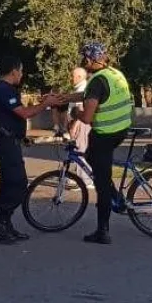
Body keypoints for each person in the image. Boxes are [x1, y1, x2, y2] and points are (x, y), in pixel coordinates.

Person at [50, 42, 133, 245]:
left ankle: (102, 231)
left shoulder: (96, 81)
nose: (83, 63)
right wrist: (66, 97)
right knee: (93, 159)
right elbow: (90, 95)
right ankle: (112, 192)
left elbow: (87, 117)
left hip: (106, 134)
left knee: (101, 183)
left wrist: (73, 112)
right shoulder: (114, 73)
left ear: (89, 59)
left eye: (84, 59)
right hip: (120, 129)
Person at [0, 56, 56, 244]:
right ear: (14, 71)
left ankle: (5, 223)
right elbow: (23, 113)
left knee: (9, 183)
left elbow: (14, 117)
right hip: (5, 143)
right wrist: (45, 104)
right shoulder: (3, 89)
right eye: (21, 71)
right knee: (18, 182)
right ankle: (0, 221)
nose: (22, 75)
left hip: (10, 140)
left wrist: (21, 135)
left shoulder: (9, 90)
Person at [66, 67, 94, 188]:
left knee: (81, 150)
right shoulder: (80, 87)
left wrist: (74, 126)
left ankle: (86, 180)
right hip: (79, 122)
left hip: (81, 123)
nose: (70, 78)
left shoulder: (83, 88)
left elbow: (80, 108)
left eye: (72, 76)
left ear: (79, 77)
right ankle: (77, 177)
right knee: (78, 150)